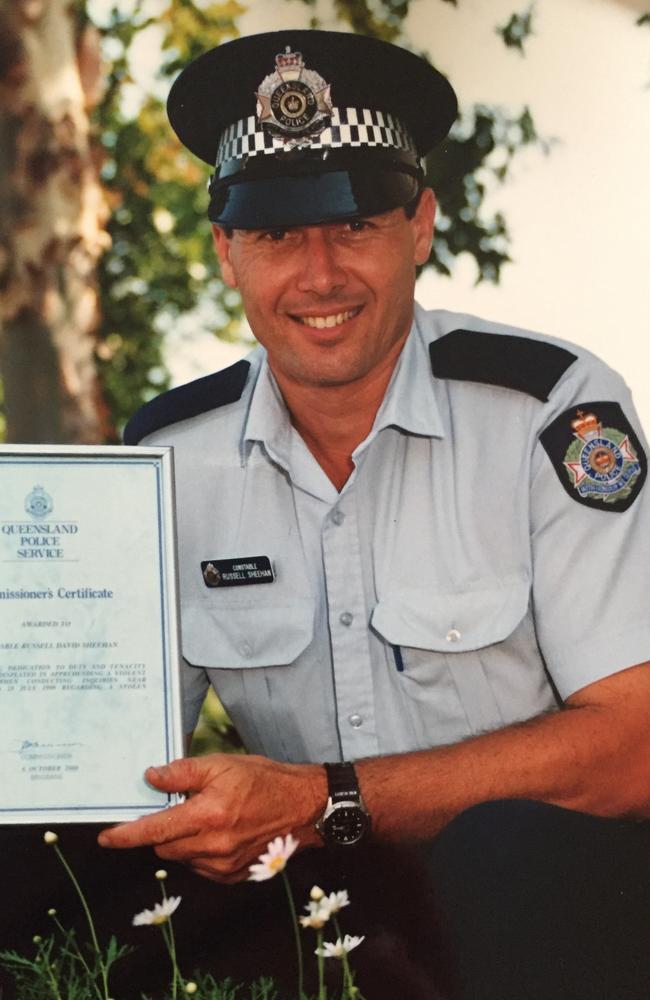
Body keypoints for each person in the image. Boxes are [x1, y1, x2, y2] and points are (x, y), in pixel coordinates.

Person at [100, 29, 650, 999]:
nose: (317, 274)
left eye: (352, 225)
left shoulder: (549, 412)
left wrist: (325, 801)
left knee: (505, 846)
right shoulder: (166, 457)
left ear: (420, 225)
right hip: (315, 894)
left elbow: (631, 748)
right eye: (274, 234)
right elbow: (111, 757)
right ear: (225, 249)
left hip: (550, 894)